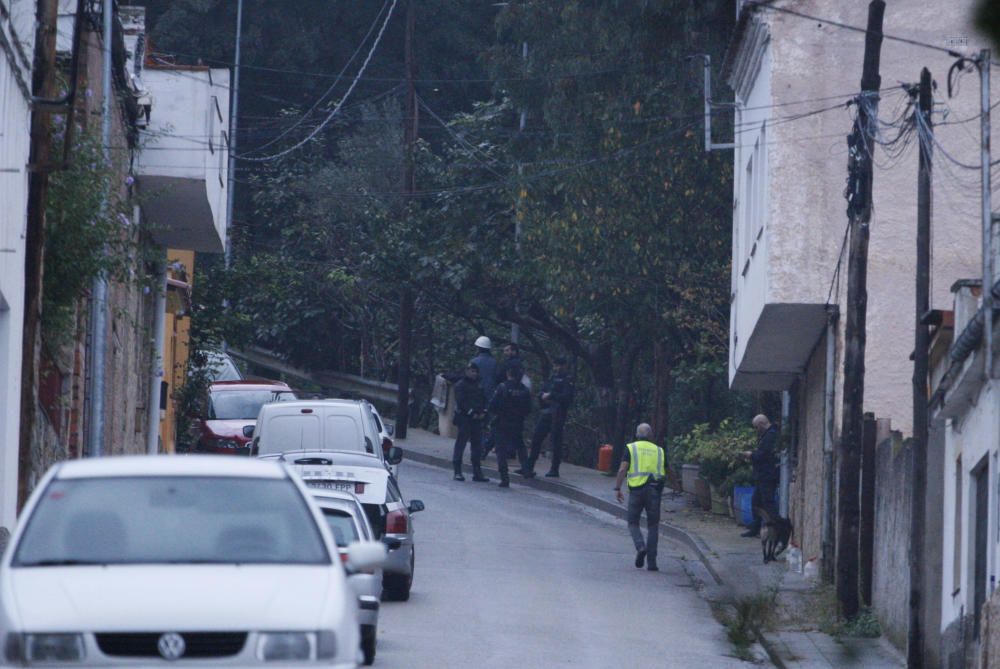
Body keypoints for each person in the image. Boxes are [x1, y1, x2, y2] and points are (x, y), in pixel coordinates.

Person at [614, 423, 666, 571]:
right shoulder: (659, 451)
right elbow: (668, 470)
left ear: (637, 435)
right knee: (653, 526)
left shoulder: (631, 448)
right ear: (651, 435)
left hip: (636, 491)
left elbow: (623, 468)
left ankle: (640, 546)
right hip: (655, 492)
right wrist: (678, 487)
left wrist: (618, 488)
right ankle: (652, 563)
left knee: (633, 522)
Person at [523, 357, 573, 478]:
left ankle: (554, 468)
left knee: (556, 441)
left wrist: (551, 395)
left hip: (558, 413)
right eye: (555, 365)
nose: (557, 368)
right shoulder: (552, 378)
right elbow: (543, 391)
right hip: (546, 411)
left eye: (559, 365)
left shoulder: (568, 379)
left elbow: (566, 397)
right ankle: (529, 467)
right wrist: (542, 396)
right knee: (536, 438)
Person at [487, 365, 532, 488]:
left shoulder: (502, 387)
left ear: (508, 373)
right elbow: (529, 408)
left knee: (501, 451)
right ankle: (526, 470)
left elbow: (492, 405)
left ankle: (504, 478)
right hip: (517, 422)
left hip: (502, 422)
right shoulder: (524, 389)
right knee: (520, 446)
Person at [741, 414, 781, 538]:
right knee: (756, 502)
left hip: (767, 475)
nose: (756, 430)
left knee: (767, 502)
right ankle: (756, 527)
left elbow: (763, 455)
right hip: (763, 475)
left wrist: (751, 455)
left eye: (756, 427)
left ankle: (778, 527)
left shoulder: (770, 436)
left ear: (761, 424)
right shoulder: (768, 434)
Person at [451, 363, 490, 483]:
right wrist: (471, 412)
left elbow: (484, 399)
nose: (473, 373)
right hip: (464, 418)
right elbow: (461, 402)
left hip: (477, 419)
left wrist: (483, 412)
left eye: (475, 371)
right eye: (471, 371)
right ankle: (457, 471)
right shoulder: (461, 385)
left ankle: (477, 472)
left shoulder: (479, 384)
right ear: (466, 371)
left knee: (477, 446)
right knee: (461, 444)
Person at [470, 336, 497, 400]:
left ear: (478, 348)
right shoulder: (494, 362)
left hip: (476, 395)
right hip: (490, 395)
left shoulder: (474, 361)